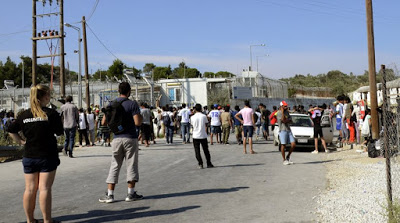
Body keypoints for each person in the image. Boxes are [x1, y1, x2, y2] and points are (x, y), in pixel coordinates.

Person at [8, 84, 63, 223]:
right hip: (47, 155)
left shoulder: (24, 114)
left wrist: (21, 142)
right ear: (45, 97)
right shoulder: (50, 113)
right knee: (44, 188)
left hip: (29, 155)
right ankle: (47, 220)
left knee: (30, 189)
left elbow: (11, 130)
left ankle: (30, 220)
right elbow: (59, 131)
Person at [99, 82, 143, 203]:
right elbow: (137, 122)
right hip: (130, 137)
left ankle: (110, 195)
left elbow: (103, 122)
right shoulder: (132, 104)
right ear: (129, 91)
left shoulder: (111, 104)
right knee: (131, 164)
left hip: (117, 138)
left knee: (115, 165)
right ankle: (130, 193)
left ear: (119, 91)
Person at [191, 104, 214, 169]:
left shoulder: (192, 117)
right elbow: (206, 124)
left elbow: (192, 125)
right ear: (201, 109)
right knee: (206, 150)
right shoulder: (204, 116)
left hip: (195, 135)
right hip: (203, 135)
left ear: (195, 109)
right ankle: (209, 163)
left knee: (197, 150)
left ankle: (200, 163)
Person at [277, 101, 296, 165]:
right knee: (283, 144)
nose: (286, 107)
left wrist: (286, 120)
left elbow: (290, 120)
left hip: (288, 129)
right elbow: (283, 120)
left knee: (293, 144)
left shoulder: (287, 112)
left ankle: (288, 157)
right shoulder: (279, 113)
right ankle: (284, 159)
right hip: (282, 130)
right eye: (284, 106)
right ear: (281, 106)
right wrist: (282, 112)